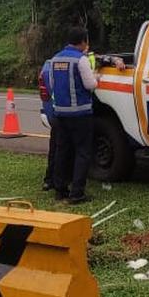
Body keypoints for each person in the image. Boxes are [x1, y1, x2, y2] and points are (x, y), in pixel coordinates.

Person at [47, 27, 121, 204]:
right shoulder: (80, 60)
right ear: (82, 42)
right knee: (82, 152)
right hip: (80, 113)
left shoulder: (55, 59)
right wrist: (98, 79)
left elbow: (51, 84)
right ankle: (77, 193)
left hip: (60, 113)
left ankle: (60, 190)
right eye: (86, 41)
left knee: (62, 151)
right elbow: (90, 84)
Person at [38, 57, 60, 192]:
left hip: (54, 112)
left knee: (55, 146)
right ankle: (58, 182)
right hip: (71, 114)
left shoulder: (50, 66)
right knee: (65, 148)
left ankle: (50, 180)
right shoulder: (79, 61)